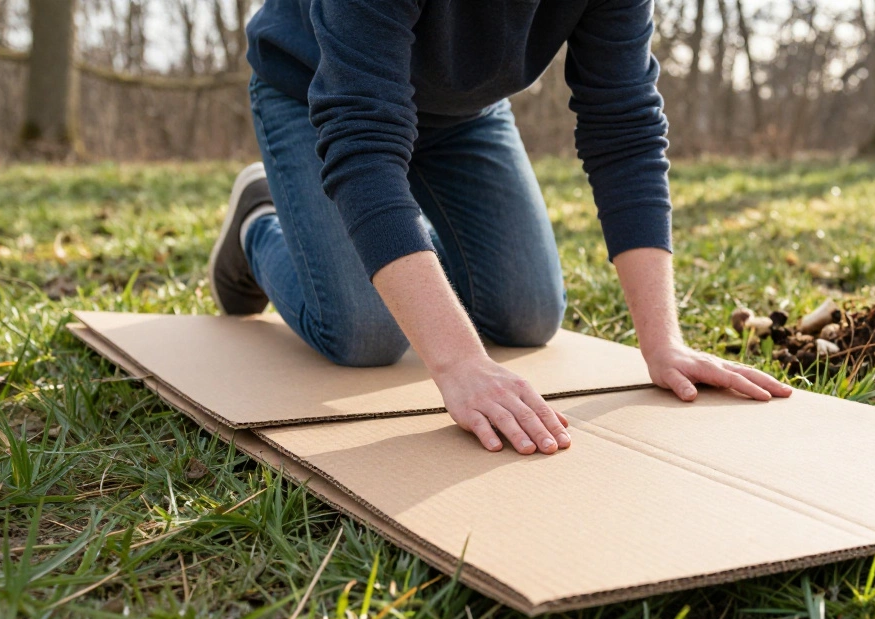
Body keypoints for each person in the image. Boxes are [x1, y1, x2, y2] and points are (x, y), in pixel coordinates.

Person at [208, 0, 791, 457]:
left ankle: (394, 238)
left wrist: (663, 342)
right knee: (368, 334)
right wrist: (458, 363)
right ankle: (260, 222)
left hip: (465, 114)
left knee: (527, 316)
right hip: (316, 90)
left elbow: (624, 127)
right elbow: (361, 138)